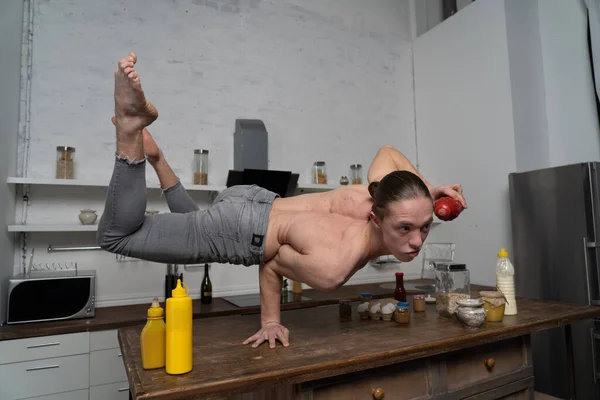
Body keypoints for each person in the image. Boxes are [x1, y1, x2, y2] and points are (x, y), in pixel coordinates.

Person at [98, 52, 468, 350]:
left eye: (424, 226)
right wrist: (271, 321)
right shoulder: (334, 266)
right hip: (245, 229)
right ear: (376, 217)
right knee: (116, 236)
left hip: (251, 199)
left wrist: (426, 191)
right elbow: (272, 266)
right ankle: (132, 124)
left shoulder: (377, 189)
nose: (417, 241)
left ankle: (157, 158)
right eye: (405, 227)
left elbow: (388, 151)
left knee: (199, 228)